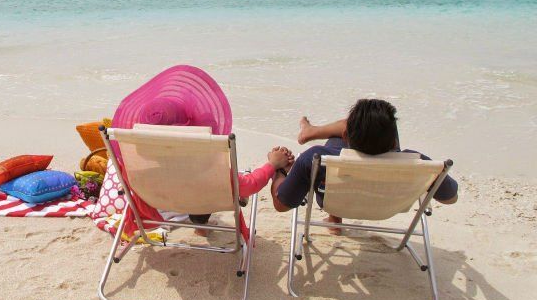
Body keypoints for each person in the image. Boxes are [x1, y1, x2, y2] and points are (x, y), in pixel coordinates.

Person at [270, 99, 458, 234]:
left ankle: (335, 218)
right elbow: (450, 198)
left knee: (336, 144)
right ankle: (312, 131)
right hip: (388, 207)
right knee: (375, 127)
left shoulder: (316, 157)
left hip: (338, 201)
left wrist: (279, 170)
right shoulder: (419, 162)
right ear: (394, 141)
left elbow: (281, 204)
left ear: (346, 137)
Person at [190, 145, 294, 233]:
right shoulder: (211, 165)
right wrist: (272, 164)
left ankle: (200, 226)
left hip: (177, 200)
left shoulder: (177, 152)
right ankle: (201, 225)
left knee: (193, 188)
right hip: (212, 189)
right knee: (222, 184)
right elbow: (251, 185)